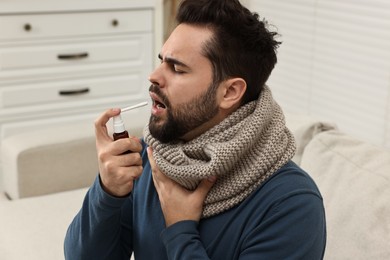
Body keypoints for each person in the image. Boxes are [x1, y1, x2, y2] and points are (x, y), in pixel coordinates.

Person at [64, 0, 326, 259]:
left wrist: (181, 232)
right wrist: (107, 192)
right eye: (161, 61)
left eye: (177, 68)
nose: (154, 76)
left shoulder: (292, 205)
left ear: (230, 92)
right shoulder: (151, 154)